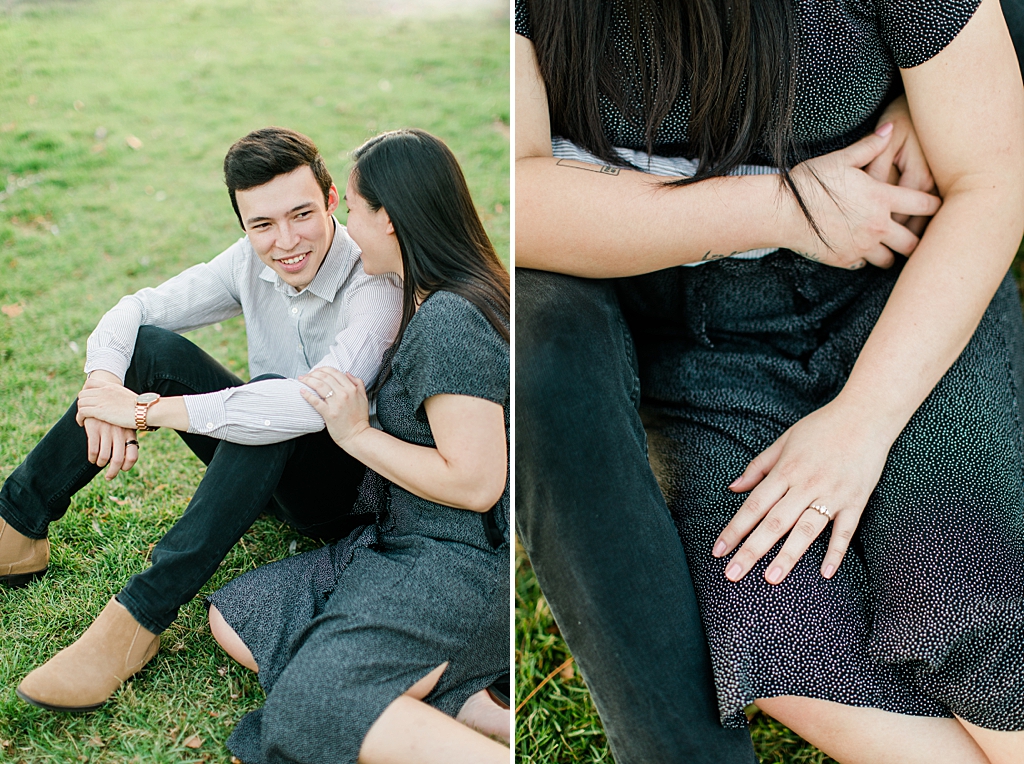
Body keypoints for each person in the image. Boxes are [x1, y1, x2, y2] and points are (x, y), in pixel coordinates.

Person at [516, 0, 1024, 763]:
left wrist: (864, 418)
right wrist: (786, 206)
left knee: (960, 587)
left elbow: (992, 177)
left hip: (895, 288)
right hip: (691, 345)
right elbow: (523, 198)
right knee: (771, 616)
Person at [2, 127, 403, 711]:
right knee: (151, 348)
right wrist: (103, 388)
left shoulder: (375, 287)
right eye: (261, 225)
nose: (285, 241)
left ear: (332, 200)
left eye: (301, 215)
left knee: (273, 398)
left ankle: (140, 616)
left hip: (341, 493)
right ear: (243, 223)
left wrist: (144, 411)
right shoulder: (249, 262)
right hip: (259, 468)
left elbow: (300, 407)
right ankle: (17, 524)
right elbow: (136, 309)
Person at [202, 128, 511, 764]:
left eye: (355, 211)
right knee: (240, 614)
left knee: (311, 706)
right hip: (392, 539)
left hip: (457, 563)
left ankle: (455, 724)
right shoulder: (422, 298)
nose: (346, 229)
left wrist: (357, 434)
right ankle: (462, 698)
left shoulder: (450, 320)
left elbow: (478, 482)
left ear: (390, 221)